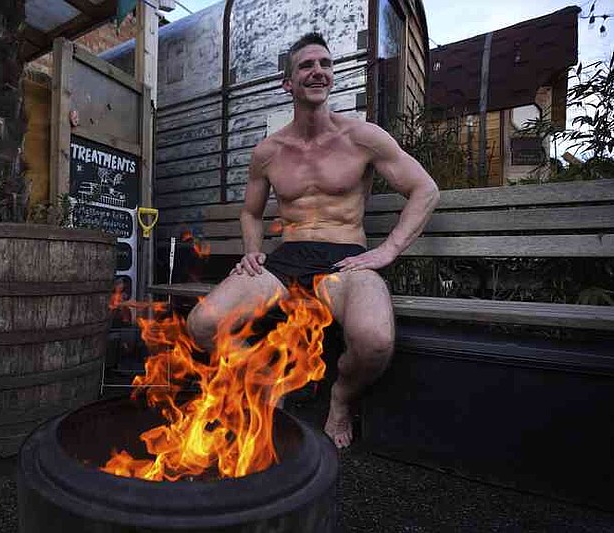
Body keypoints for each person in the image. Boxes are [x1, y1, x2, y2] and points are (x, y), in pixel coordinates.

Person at [186, 32, 440, 449]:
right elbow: (250, 211)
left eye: (325, 64)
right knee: (202, 324)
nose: (318, 71)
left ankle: (340, 398)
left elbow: (425, 190)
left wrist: (388, 249)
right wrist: (253, 252)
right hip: (286, 259)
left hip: (346, 261)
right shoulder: (268, 151)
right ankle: (263, 376)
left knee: (375, 341)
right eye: (306, 65)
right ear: (287, 83)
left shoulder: (363, 137)